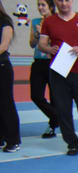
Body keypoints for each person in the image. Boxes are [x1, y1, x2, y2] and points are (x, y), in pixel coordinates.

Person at [38, 0, 78, 156]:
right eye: (60, 0)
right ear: (55, 2)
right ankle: (72, 143)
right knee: (63, 109)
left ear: (71, 1)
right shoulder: (49, 22)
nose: (64, 4)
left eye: (67, 0)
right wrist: (49, 49)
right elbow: (41, 44)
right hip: (58, 72)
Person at [28, 0, 58, 140]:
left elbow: (57, 43)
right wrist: (37, 35)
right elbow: (32, 44)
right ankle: (57, 117)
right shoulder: (35, 22)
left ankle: (52, 126)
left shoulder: (57, 22)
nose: (40, 7)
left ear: (50, 7)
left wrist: (44, 34)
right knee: (36, 95)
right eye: (38, 5)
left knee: (54, 97)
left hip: (53, 62)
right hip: (38, 62)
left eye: (43, 5)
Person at [0, 1, 19, 153]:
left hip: (2, 67)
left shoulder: (5, 22)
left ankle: (14, 140)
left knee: (6, 103)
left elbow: (4, 46)